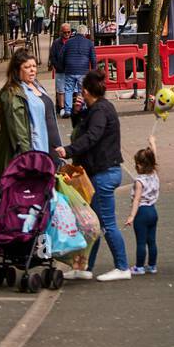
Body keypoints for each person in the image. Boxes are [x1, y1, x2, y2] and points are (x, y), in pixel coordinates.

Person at [57, 70, 129, 282]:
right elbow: (85, 131)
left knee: (105, 224)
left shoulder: (99, 111)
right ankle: (85, 267)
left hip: (103, 173)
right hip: (105, 171)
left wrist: (68, 150)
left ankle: (122, 266)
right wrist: (78, 113)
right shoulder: (98, 108)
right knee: (92, 224)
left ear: (86, 91)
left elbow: (91, 137)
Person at [0, 48, 62, 181]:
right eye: (27, 67)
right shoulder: (12, 94)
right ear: (17, 69)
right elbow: (19, 134)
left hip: (49, 154)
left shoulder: (37, 85)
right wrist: (30, 161)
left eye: (34, 66)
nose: (32, 70)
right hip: (33, 160)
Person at [125, 133, 159, 275]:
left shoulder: (140, 181)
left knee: (141, 241)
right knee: (151, 241)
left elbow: (137, 200)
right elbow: (154, 156)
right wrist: (152, 143)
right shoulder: (154, 174)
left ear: (138, 165)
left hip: (142, 213)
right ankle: (152, 265)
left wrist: (132, 216)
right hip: (153, 211)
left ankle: (139, 267)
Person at [60, 25, 97, 119]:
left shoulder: (68, 42)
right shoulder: (89, 43)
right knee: (82, 90)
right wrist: (93, 70)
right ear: (85, 33)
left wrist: (64, 66)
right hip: (83, 70)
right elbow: (93, 58)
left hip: (70, 69)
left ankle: (68, 110)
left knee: (68, 90)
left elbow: (61, 55)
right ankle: (82, 108)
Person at [48, 22, 72, 116]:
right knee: (60, 89)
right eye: (65, 32)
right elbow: (52, 56)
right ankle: (61, 108)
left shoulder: (72, 41)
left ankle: (68, 107)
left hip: (70, 70)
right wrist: (57, 66)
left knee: (70, 89)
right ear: (61, 32)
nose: (67, 34)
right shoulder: (56, 43)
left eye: (68, 32)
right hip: (60, 70)